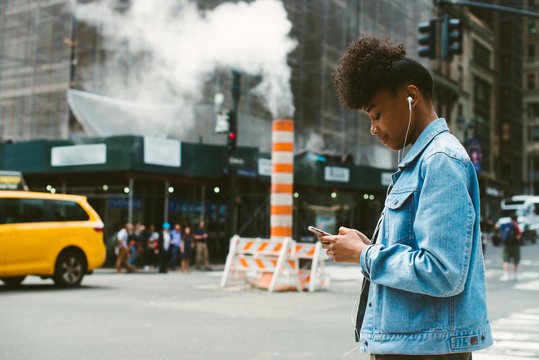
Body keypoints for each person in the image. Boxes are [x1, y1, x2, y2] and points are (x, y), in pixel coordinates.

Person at [320, 34, 492, 358]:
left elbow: (443, 272)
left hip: (425, 351)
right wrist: (369, 248)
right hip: (412, 346)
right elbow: (419, 254)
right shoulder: (420, 162)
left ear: (411, 96)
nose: (373, 128)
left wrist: (364, 256)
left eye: (376, 114)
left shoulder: (440, 161)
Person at [499, 212, 521, 282]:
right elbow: (518, 236)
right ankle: (514, 275)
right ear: (516, 219)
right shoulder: (516, 226)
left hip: (506, 245)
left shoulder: (506, 225)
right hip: (515, 245)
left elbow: (500, 235)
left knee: (506, 260)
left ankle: (506, 275)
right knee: (515, 260)